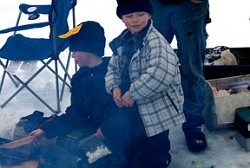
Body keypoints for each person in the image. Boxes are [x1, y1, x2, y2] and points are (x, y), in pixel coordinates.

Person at [29, 21, 128, 168]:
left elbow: (125, 110)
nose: (73, 55)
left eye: (76, 50)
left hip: (118, 130)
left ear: (90, 49)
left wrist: (108, 127)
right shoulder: (79, 78)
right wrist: (45, 129)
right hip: (95, 129)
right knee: (64, 140)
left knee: (94, 152)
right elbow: (76, 114)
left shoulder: (113, 72)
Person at [105, 0, 186, 167]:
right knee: (133, 142)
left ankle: (158, 161)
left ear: (149, 15)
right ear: (122, 19)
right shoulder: (123, 41)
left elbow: (160, 73)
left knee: (154, 145)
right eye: (129, 16)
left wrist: (133, 93)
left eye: (140, 15)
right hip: (132, 108)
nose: (135, 20)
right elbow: (113, 67)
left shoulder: (156, 42)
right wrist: (114, 87)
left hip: (155, 108)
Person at [149, 0, 211, 152]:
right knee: (152, 68)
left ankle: (193, 124)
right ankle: (153, 127)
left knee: (193, 70)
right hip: (155, 6)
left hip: (190, 7)